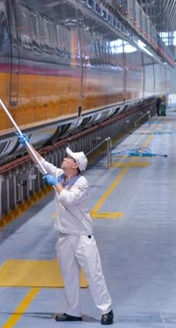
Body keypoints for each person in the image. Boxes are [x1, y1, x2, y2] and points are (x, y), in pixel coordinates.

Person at [18, 136, 114, 325]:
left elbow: (68, 199)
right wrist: (28, 145)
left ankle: (106, 309)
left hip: (82, 237)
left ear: (75, 164)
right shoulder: (60, 175)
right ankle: (73, 311)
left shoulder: (82, 182)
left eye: (67, 158)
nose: (64, 159)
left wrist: (55, 183)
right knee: (69, 275)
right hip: (65, 237)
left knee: (94, 274)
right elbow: (41, 162)